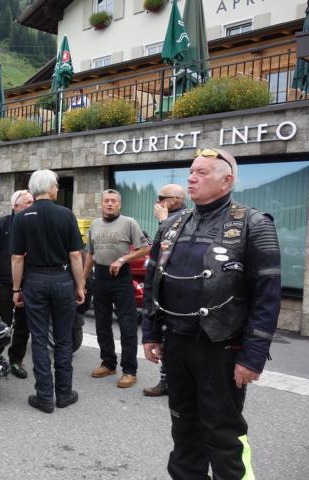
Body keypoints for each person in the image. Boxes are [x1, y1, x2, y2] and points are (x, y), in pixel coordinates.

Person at [142, 148, 281, 479]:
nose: (191, 178)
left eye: (201, 173)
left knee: (223, 433)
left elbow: (267, 296)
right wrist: (150, 332)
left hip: (222, 348)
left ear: (226, 180)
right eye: (191, 171)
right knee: (183, 428)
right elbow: (152, 279)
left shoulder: (254, 224)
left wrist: (253, 357)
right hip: (177, 345)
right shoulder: (171, 224)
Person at [11, 170, 86, 413]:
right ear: (50, 187)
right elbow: (75, 255)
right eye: (56, 185)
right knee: (63, 339)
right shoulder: (66, 215)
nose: (57, 189)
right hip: (62, 279)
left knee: (39, 339)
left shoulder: (22, 217)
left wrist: (16, 289)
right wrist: (80, 285)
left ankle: (44, 396)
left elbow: (17, 258)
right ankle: (64, 393)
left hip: (34, 280)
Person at [84, 189, 150, 388]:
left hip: (121, 278)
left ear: (119, 204)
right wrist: (82, 280)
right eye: (107, 201)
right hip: (100, 277)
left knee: (127, 325)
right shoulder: (95, 225)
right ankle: (108, 363)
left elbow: (145, 249)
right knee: (102, 323)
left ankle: (129, 371)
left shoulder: (129, 223)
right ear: (102, 204)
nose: (110, 204)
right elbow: (90, 255)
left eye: (114, 201)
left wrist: (122, 260)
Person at [0, 189, 34, 379]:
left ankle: (16, 360)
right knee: (2, 323)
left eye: (33, 202)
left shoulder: (35, 225)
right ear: (15, 206)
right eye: (28, 203)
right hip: (4, 283)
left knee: (24, 325)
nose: (32, 205)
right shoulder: (0, 225)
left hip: (28, 282)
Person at [143, 183, 186, 397]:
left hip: (177, 290)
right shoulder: (172, 218)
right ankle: (167, 380)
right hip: (163, 286)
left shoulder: (186, 218)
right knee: (165, 338)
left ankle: (172, 383)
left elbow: (175, 248)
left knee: (173, 340)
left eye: (161, 197)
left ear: (174, 200)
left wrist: (163, 221)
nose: (157, 201)